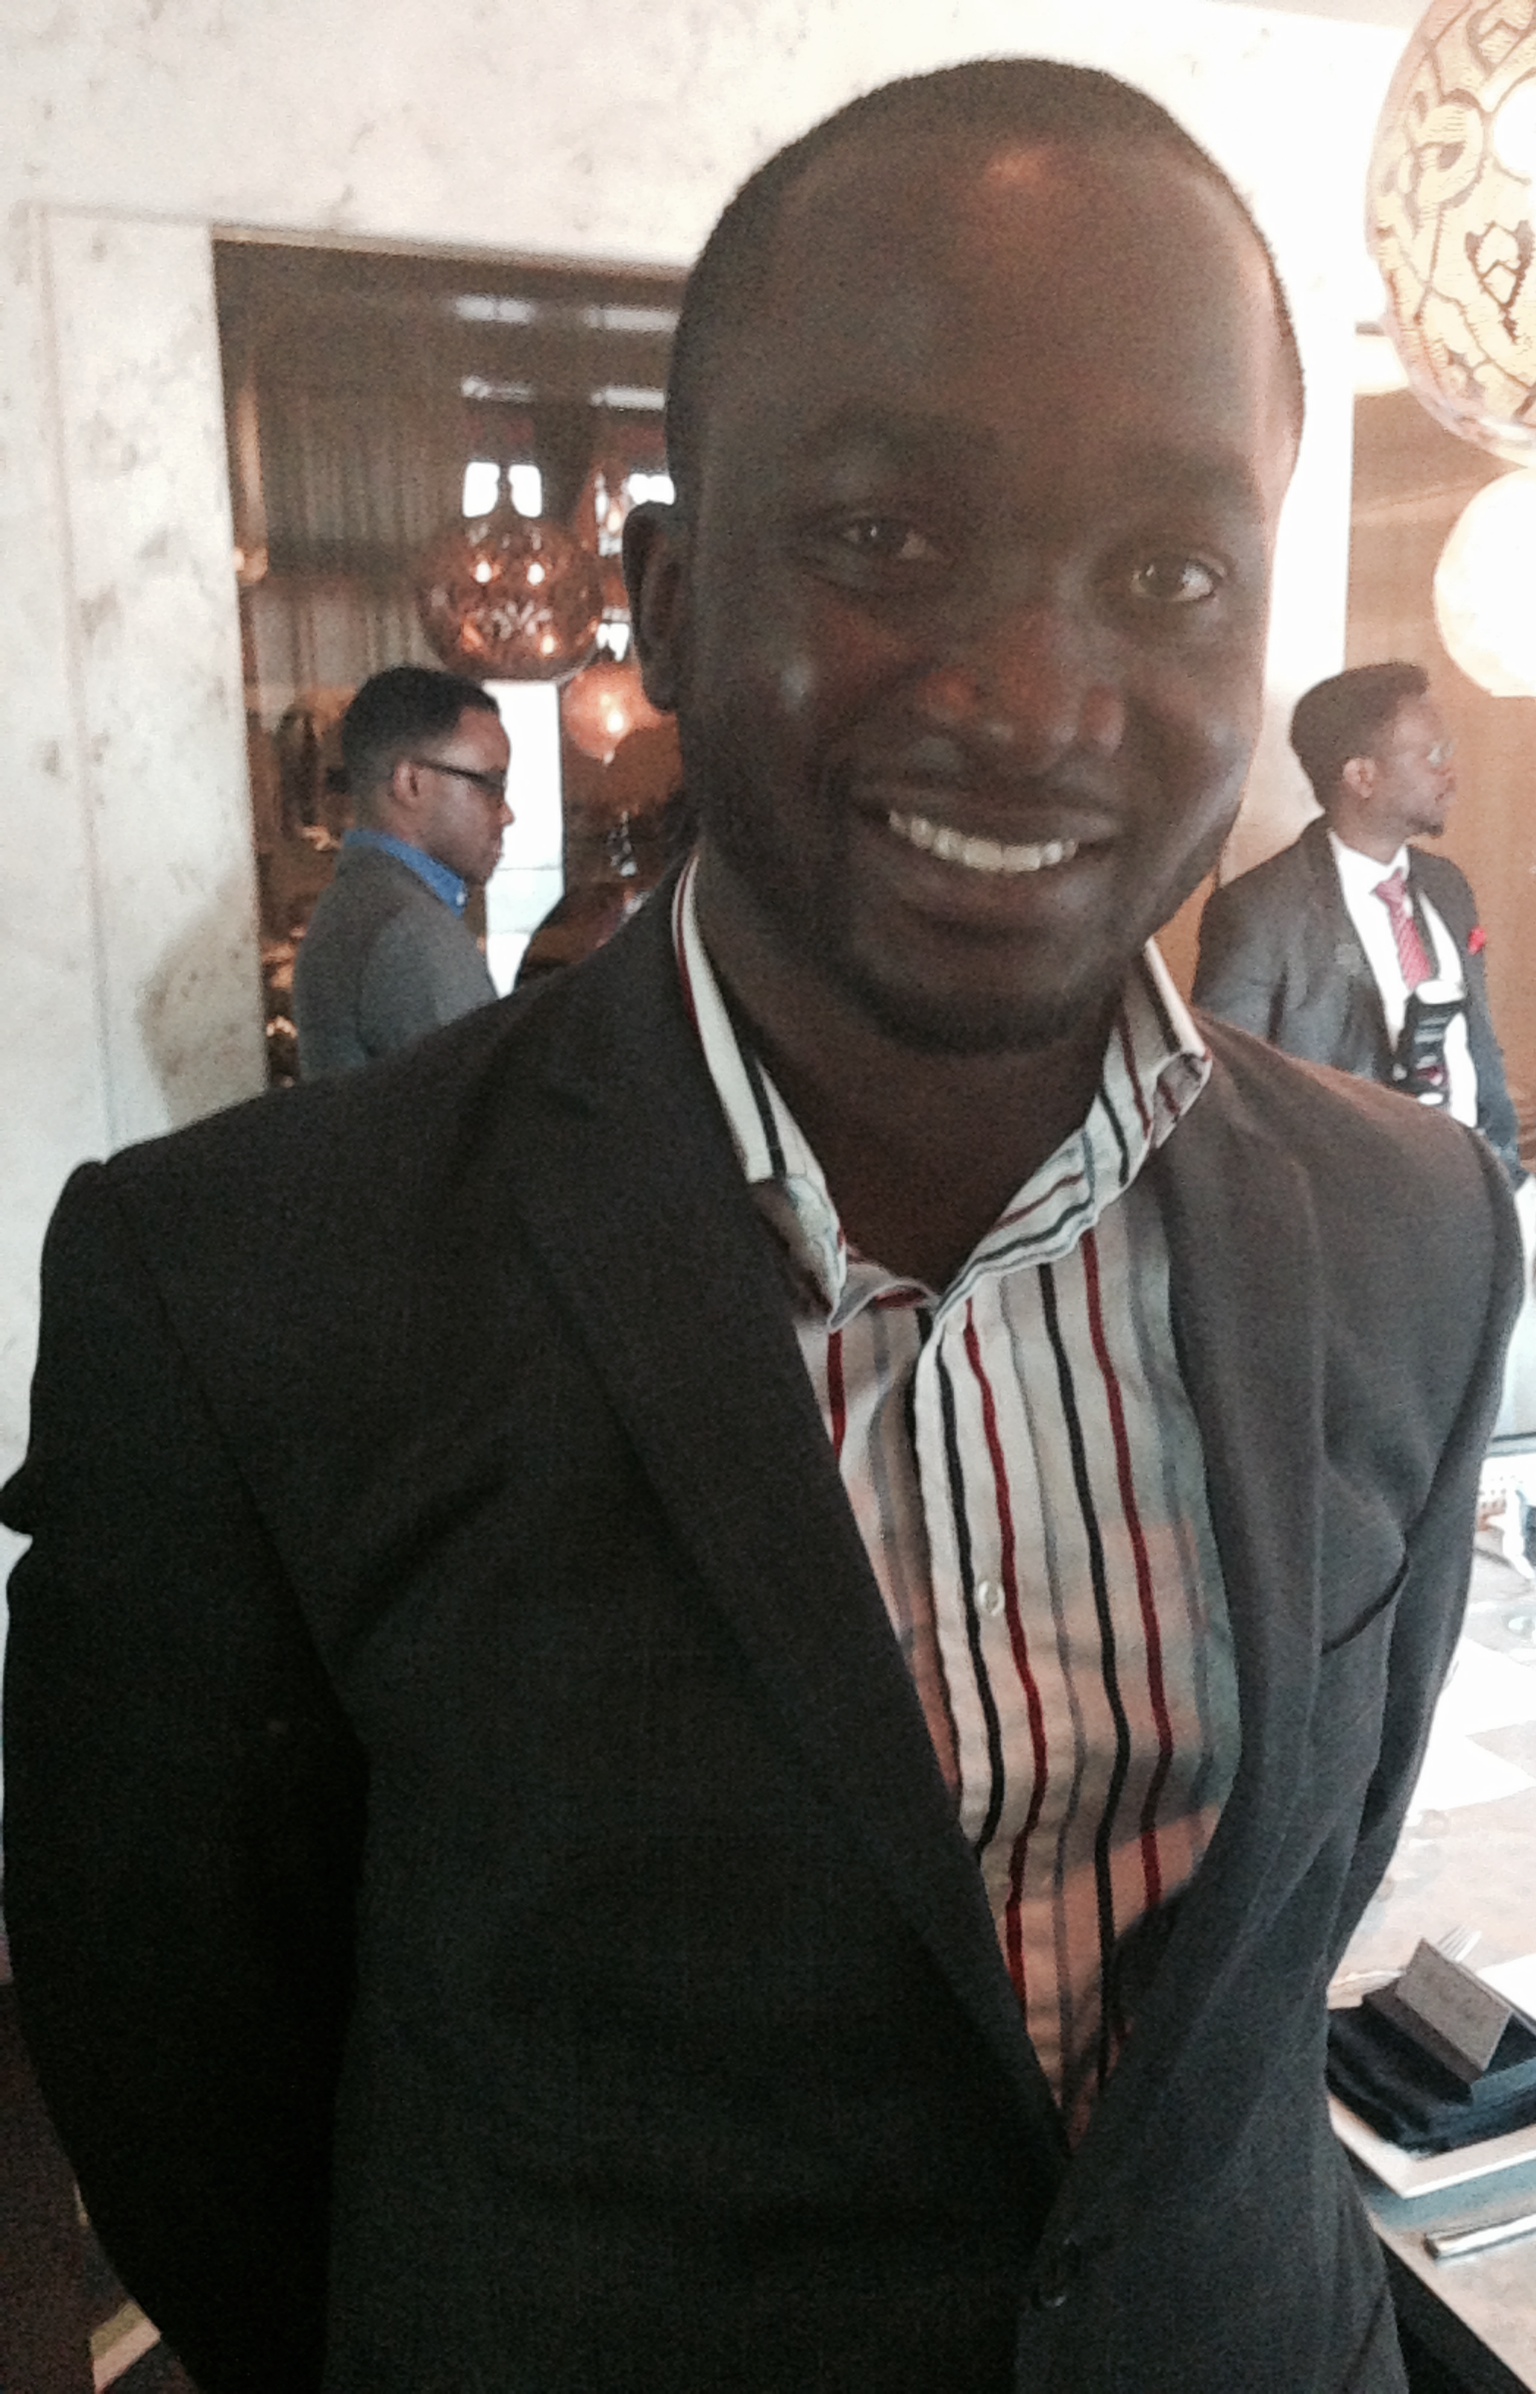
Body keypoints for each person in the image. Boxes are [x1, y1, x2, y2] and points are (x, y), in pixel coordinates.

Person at [1, 60, 1522, 2394]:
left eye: (1168, 575)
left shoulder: (1414, 1237)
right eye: (886, 537)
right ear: (676, 605)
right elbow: (202, 2132)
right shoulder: (245, 1302)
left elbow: (1270, 1958)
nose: (1032, 700)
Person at [1194, 661, 1524, 1183]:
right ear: (1362, 777)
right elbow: (1225, 1094)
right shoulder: (1259, 912)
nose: (1450, 774)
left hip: (1479, 1181)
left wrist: (1507, 1173)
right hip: (1347, 1199)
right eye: (1434, 756)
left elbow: (1476, 1044)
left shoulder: (1448, 888)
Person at [291, 665, 511, 1074]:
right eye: (491, 785)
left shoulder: (355, 898)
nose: (507, 813)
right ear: (411, 783)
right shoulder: (412, 931)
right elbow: (485, 1107)